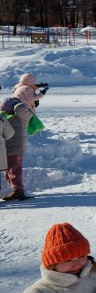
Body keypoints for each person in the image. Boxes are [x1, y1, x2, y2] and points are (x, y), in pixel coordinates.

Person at [4, 73, 42, 201]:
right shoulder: (21, 115)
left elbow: (6, 133)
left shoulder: (10, 117)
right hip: (14, 147)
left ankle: (18, 190)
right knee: (11, 169)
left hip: (12, 148)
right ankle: (16, 189)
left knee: (13, 169)